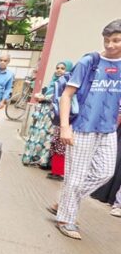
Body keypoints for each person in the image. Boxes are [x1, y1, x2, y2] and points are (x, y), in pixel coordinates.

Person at [49, 19, 121, 240]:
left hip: (107, 129)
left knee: (105, 173)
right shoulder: (90, 62)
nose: (110, 45)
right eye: (107, 40)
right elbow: (66, 96)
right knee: (76, 176)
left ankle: (66, 202)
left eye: (116, 40)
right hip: (81, 127)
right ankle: (65, 219)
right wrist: (65, 128)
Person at [22, 62, 68, 167]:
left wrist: (45, 98)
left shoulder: (66, 84)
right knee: (37, 136)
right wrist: (41, 96)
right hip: (42, 114)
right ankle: (32, 158)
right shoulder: (53, 83)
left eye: (62, 68)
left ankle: (43, 161)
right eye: (57, 68)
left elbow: (60, 98)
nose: (59, 70)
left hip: (53, 115)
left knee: (48, 137)